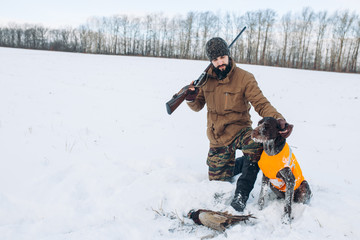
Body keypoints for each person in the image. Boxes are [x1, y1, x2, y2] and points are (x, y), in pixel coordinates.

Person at [184, 37, 293, 212]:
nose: (220, 62)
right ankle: (241, 163)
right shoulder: (205, 80)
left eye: (222, 57)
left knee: (256, 147)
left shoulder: (245, 78)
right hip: (217, 136)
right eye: (215, 59)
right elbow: (197, 106)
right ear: (211, 61)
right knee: (218, 180)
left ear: (228, 55)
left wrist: (279, 119)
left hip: (240, 130)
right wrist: (190, 98)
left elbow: (261, 103)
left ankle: (241, 196)